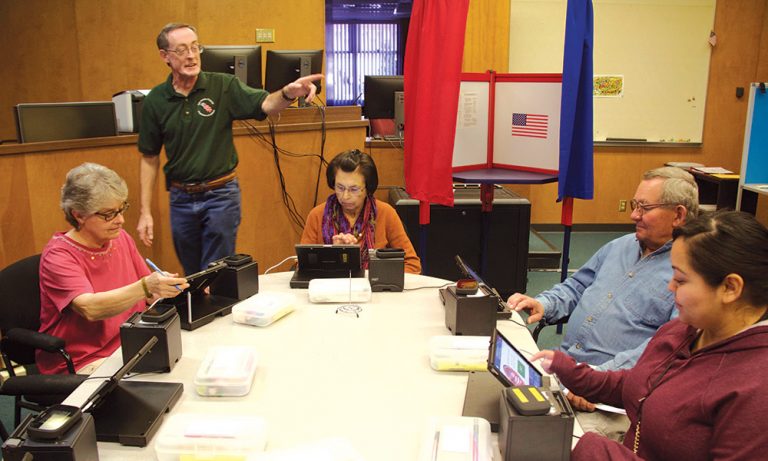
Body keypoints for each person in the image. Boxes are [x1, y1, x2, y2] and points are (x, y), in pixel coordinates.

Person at [533, 211, 768, 460]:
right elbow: (641, 384)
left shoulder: (756, 388)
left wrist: (591, 449)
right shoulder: (686, 330)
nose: (670, 287)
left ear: (730, 288)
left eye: (681, 280)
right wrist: (572, 372)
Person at [507, 166, 699, 438]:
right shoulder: (619, 246)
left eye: (644, 208)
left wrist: (594, 379)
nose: (634, 215)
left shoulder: (689, 275)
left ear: (678, 214)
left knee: (536, 441)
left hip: (606, 399)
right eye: (634, 205)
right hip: (564, 371)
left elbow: (663, 351)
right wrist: (545, 304)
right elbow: (576, 287)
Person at [137, 23, 323, 274]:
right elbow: (149, 157)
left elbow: (266, 104)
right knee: (193, 274)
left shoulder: (223, 86)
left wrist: (288, 93)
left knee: (216, 272)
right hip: (181, 199)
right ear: (165, 56)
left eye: (195, 47)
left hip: (220, 195)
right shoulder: (156, 100)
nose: (191, 56)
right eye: (181, 50)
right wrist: (145, 212)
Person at [38, 163, 188, 374]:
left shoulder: (120, 239)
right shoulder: (58, 256)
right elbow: (90, 308)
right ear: (79, 215)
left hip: (131, 345)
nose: (120, 220)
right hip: (83, 360)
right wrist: (146, 286)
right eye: (108, 214)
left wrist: (179, 290)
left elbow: (150, 294)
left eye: (121, 209)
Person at [301, 149, 421, 273]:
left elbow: (412, 264)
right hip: (329, 284)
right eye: (340, 188)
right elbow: (302, 266)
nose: (345, 196)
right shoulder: (317, 215)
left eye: (354, 189)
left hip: (374, 284)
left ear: (368, 188)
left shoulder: (386, 213)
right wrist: (333, 254)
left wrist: (379, 278)